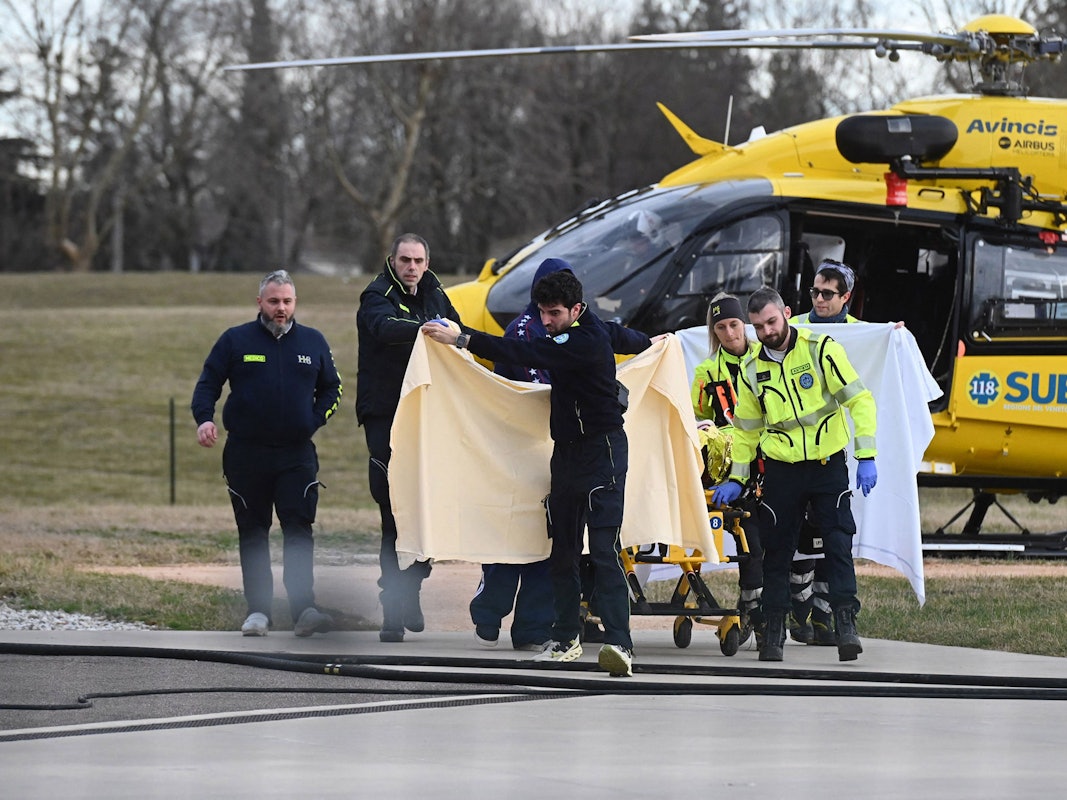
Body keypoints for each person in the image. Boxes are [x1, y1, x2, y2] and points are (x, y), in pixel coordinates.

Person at [421, 268, 660, 677]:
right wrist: (651, 342)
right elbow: (624, 336)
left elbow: (528, 352)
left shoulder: (583, 339)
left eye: (554, 314)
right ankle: (566, 639)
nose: (546, 322)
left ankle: (621, 644)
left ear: (576, 309)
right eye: (542, 313)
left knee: (603, 551)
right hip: (565, 455)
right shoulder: (591, 326)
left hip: (602, 452)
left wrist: (463, 338)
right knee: (562, 552)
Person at [710, 286, 877, 663]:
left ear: (786, 313)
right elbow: (747, 431)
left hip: (825, 465)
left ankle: (845, 622)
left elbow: (859, 400)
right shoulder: (753, 371)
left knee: (837, 543)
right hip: (782, 471)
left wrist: (866, 454)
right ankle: (773, 633)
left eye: (771, 321)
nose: (767, 331)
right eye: (759, 326)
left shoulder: (821, 350)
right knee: (777, 551)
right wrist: (737, 477)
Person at [191, 269, 342, 638]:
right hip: (246, 454)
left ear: (295, 303)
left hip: (296, 455)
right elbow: (208, 382)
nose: (281, 308)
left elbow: (333, 389)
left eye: (287, 301)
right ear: (260, 302)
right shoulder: (235, 340)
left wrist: (313, 420)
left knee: (298, 529)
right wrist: (204, 420)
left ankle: (304, 609)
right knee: (253, 532)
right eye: (273, 301)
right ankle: (258, 611)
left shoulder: (313, 342)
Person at [356, 233, 463, 643]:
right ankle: (392, 609)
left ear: (427, 260)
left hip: (428, 413)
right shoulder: (376, 294)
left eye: (418, 260)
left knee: (429, 507)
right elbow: (384, 329)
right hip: (386, 414)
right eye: (405, 260)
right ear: (393, 260)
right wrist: (430, 329)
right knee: (393, 513)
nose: (412, 267)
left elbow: (458, 330)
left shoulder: (435, 292)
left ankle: (413, 584)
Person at [470, 258, 563, 652]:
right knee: (512, 538)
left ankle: (532, 627)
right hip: (519, 450)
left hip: (553, 452)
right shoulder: (523, 331)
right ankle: (489, 610)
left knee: (546, 543)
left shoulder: (567, 332)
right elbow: (531, 389)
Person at [786, 259, 859, 645]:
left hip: (831, 456)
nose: (819, 299)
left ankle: (827, 618)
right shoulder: (793, 327)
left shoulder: (862, 335)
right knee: (797, 540)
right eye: (815, 291)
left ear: (846, 297)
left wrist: (895, 337)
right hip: (790, 458)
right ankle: (797, 614)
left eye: (828, 294)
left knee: (835, 541)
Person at [689, 292, 764, 644]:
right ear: (713, 331)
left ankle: (766, 609)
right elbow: (695, 413)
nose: (730, 333)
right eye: (721, 327)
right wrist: (703, 425)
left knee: (766, 539)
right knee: (749, 536)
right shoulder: (707, 372)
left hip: (765, 458)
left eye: (734, 324)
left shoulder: (765, 357)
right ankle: (753, 608)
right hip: (727, 465)